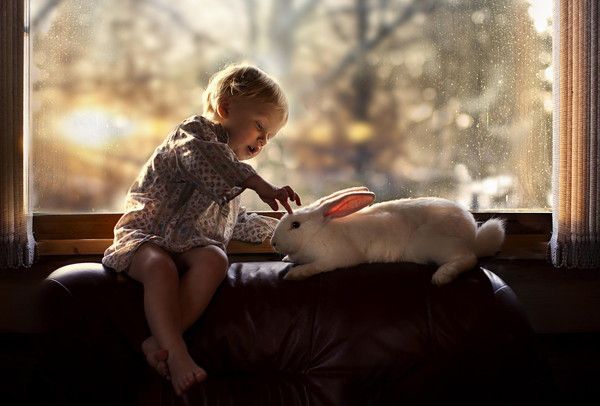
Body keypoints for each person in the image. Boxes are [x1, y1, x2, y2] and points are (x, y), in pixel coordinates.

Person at [102, 63, 301, 396]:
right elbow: (206, 160)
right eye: (259, 126)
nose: (263, 140)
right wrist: (259, 184)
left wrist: (289, 229)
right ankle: (177, 354)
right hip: (146, 237)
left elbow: (238, 222)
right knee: (159, 266)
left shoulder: (235, 176)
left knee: (214, 258)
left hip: (189, 245)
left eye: (270, 136)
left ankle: (157, 342)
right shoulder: (194, 135)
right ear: (225, 109)